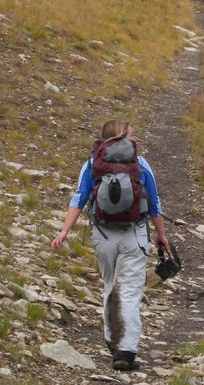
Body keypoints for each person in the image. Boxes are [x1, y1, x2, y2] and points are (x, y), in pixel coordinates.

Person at [50, 119, 171, 371]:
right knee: (129, 290)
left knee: (110, 285)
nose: (134, 139)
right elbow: (154, 202)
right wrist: (161, 234)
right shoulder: (141, 164)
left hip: (103, 234)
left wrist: (64, 231)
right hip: (134, 233)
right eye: (131, 134)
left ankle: (112, 342)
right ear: (123, 138)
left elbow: (79, 198)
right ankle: (125, 352)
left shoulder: (92, 163)